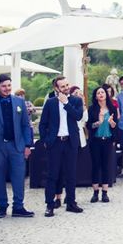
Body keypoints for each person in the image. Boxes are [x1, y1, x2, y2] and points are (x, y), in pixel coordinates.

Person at [0, 74, 34, 218]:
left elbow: (25, 124)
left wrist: (28, 145)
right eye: (4, 86)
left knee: (18, 176)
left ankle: (18, 206)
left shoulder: (19, 102)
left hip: (16, 145)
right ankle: (2, 206)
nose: (7, 88)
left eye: (9, 85)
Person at [39, 76, 84, 218]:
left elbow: (78, 116)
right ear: (56, 88)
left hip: (71, 142)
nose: (66, 88)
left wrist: (66, 103)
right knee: (52, 175)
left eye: (67, 85)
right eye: (63, 86)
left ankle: (71, 203)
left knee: (71, 174)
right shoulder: (50, 103)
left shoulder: (76, 100)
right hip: (55, 143)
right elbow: (42, 123)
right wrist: (45, 140)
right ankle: (49, 205)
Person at [87, 86, 117, 203]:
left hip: (108, 140)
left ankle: (105, 192)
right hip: (95, 141)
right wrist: (98, 123)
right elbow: (89, 126)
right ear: (96, 96)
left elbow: (115, 126)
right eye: (98, 93)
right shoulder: (92, 109)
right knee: (95, 165)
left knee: (106, 166)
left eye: (102, 92)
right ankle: (95, 192)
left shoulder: (112, 108)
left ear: (106, 95)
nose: (101, 94)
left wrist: (112, 123)